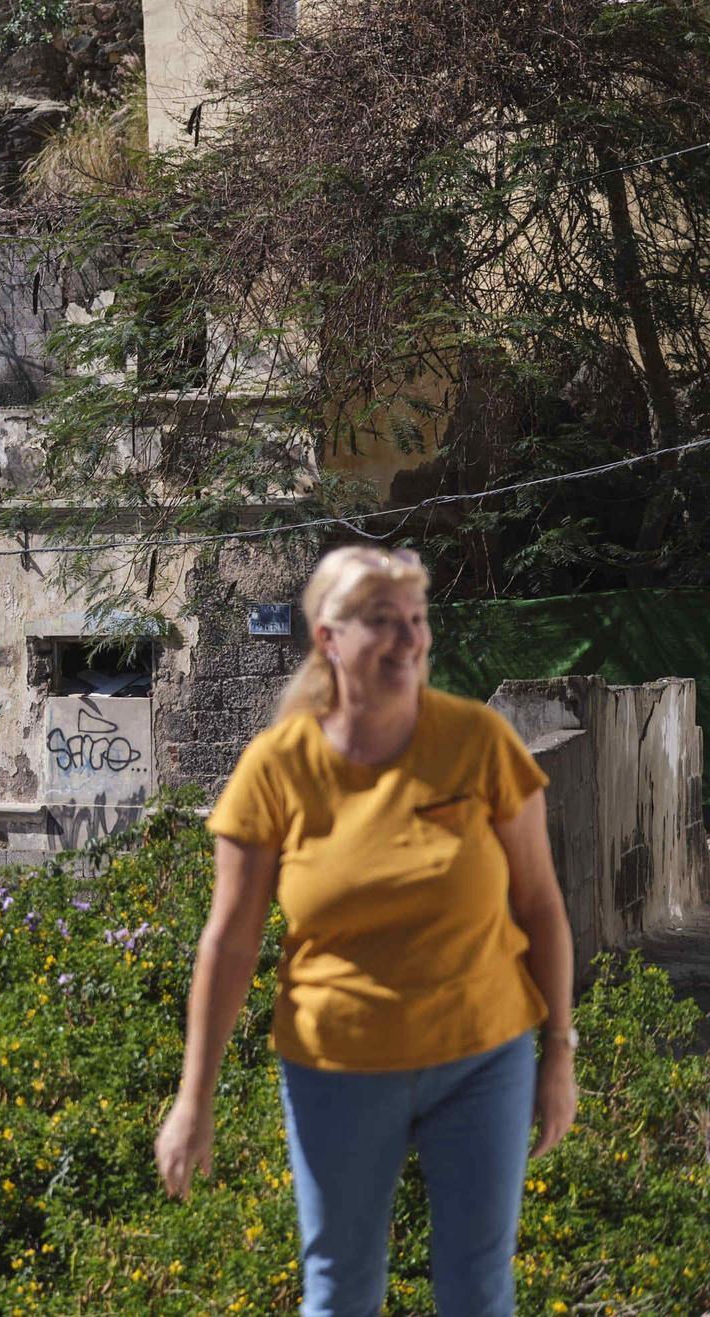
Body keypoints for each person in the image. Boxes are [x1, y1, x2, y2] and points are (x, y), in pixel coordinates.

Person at [154, 545, 577, 1316]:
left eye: (416, 620)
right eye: (383, 621)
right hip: (336, 1063)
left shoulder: (480, 742)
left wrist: (560, 1051)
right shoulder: (277, 766)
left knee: (479, 1289)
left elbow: (542, 904)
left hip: (483, 1054)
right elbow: (230, 941)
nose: (409, 639)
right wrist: (194, 1098)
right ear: (329, 638)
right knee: (341, 1287)